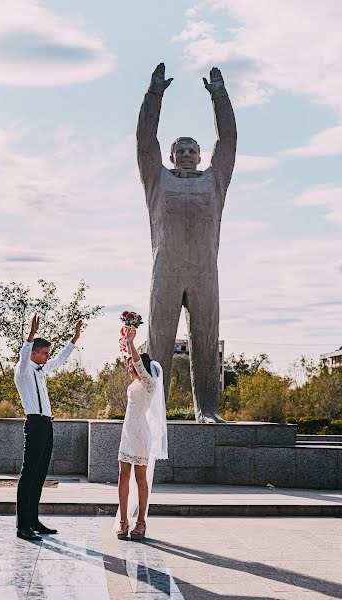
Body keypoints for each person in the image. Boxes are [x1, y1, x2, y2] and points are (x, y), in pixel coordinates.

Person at [137, 63, 237, 422]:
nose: (185, 154)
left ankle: (207, 408)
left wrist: (219, 96)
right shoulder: (157, 181)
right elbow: (145, 141)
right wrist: (154, 94)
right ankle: (153, 408)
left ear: (201, 154)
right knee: (158, 341)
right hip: (165, 272)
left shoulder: (215, 181)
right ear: (170, 156)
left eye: (191, 149)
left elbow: (228, 142)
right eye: (179, 150)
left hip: (204, 274)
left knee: (207, 342)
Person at [14, 313, 82, 541]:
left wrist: (74, 339)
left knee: (40, 474)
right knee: (29, 474)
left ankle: (33, 521)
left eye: (47, 353)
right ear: (33, 352)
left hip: (47, 425)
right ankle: (22, 526)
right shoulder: (23, 370)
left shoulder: (42, 371)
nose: (47, 356)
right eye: (43, 353)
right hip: (34, 425)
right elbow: (24, 356)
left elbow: (60, 360)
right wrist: (30, 336)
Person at [115, 325, 167, 540]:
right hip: (127, 433)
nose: (130, 368)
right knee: (123, 476)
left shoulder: (149, 384)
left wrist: (130, 343)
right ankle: (123, 521)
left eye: (132, 365)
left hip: (141, 434)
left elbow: (138, 362)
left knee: (140, 478)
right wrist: (125, 345)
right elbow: (133, 362)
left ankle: (141, 522)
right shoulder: (134, 384)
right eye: (128, 365)